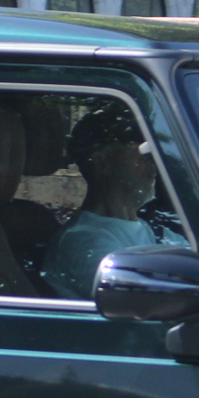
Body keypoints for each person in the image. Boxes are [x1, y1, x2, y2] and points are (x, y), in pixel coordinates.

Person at [42, 104, 178, 298]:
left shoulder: (146, 227)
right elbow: (141, 302)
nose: (153, 162)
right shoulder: (84, 240)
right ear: (103, 162)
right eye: (143, 154)